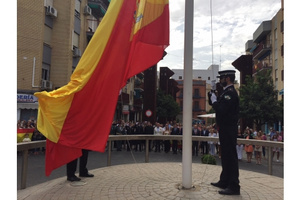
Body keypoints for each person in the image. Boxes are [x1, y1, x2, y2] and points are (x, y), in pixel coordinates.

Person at [208, 70, 240, 195]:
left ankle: (234, 186)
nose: (220, 80)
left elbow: (221, 109)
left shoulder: (230, 93)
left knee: (230, 157)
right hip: (225, 128)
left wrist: (215, 101)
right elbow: (212, 103)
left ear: (227, 78)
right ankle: (224, 180)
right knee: (225, 155)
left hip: (228, 128)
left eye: (221, 78)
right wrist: (211, 94)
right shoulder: (225, 92)